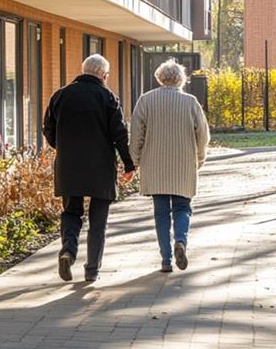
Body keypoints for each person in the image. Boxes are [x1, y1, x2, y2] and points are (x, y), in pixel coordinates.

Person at [44, 54, 135, 283]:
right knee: (98, 220)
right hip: (101, 168)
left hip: (69, 166)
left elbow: (48, 128)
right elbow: (119, 134)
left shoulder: (61, 95)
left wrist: (62, 146)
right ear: (104, 75)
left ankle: (68, 251)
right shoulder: (108, 97)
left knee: (71, 212)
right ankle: (92, 269)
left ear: (83, 70)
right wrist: (129, 163)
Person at [129, 59, 210, 273]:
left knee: (161, 213)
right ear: (181, 80)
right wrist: (199, 158)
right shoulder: (191, 102)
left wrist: (134, 160)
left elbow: (136, 134)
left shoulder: (146, 100)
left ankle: (165, 260)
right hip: (184, 164)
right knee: (183, 208)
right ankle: (181, 241)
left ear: (159, 78)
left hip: (155, 166)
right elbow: (203, 134)